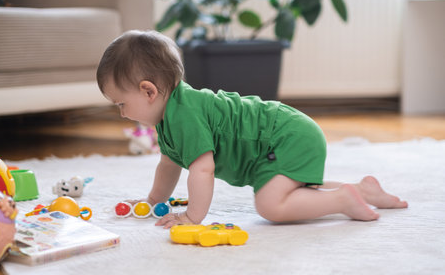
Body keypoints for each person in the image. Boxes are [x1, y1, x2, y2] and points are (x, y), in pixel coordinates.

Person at [96, 30, 408, 229]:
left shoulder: (185, 116)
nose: (122, 113)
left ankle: (341, 199)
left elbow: (202, 170)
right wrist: (153, 200)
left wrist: (193, 217)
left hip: (284, 136)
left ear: (149, 91)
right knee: (287, 186)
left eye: (121, 103)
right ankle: (363, 190)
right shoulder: (169, 117)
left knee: (270, 204)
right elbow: (168, 164)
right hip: (283, 135)